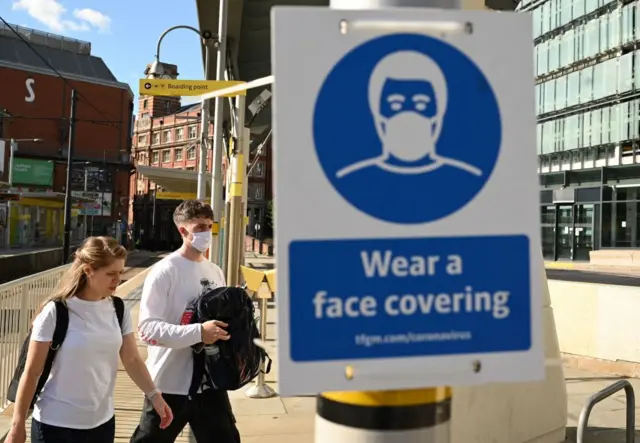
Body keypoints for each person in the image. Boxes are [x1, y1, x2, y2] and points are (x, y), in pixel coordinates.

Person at [6, 237, 173, 443]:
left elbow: (132, 360)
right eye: (110, 274)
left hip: (102, 424)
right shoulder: (56, 311)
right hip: (55, 426)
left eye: (120, 272)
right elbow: (32, 372)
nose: (117, 279)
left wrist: (154, 395)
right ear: (88, 270)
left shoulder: (118, 309)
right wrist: (17, 425)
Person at [130, 200, 240, 443]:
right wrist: (199, 332)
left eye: (210, 226)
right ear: (183, 231)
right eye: (200, 226)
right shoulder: (165, 271)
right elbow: (147, 330)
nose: (207, 232)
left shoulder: (215, 271)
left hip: (210, 384)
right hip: (169, 385)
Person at [336, 50, 482, 179]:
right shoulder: (353, 180)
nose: (408, 115)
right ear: (377, 112)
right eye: (395, 105)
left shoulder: (465, 179)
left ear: (439, 111)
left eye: (421, 104)